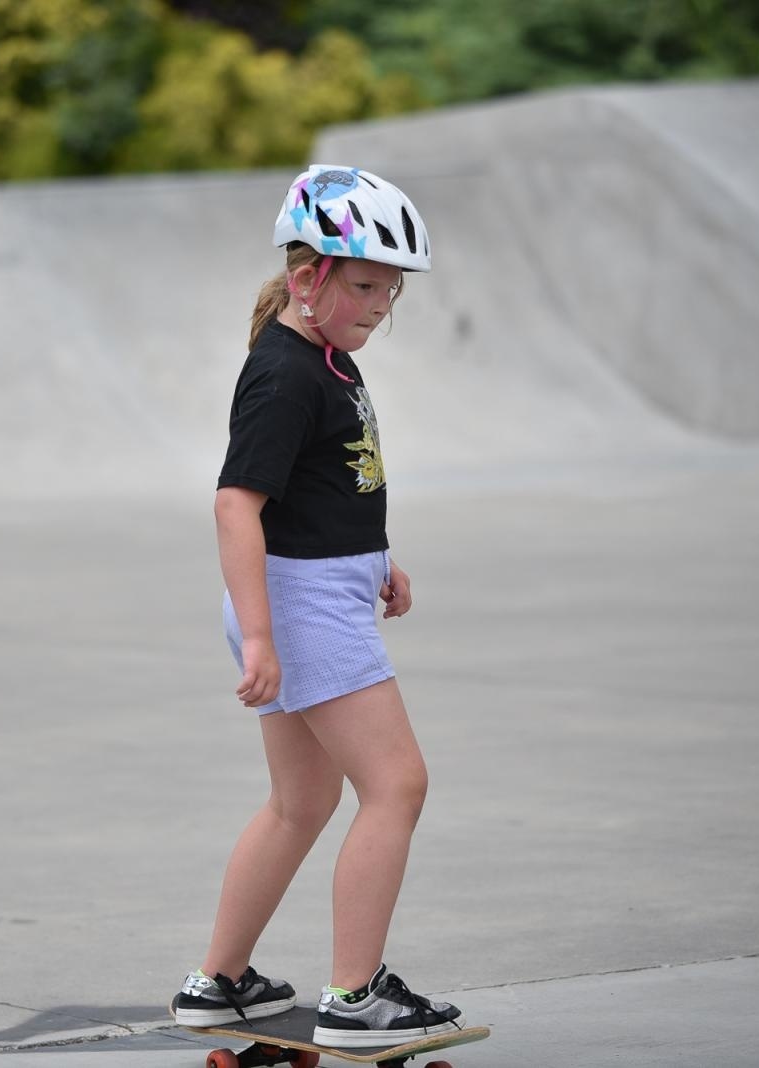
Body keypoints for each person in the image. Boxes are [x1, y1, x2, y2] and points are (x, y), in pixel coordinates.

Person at [170, 166, 464, 1047]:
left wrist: (377, 560)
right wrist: (261, 634)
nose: (382, 303)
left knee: (302, 803)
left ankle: (218, 984)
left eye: (392, 290)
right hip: (297, 609)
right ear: (309, 279)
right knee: (397, 784)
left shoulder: (324, 359)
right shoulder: (287, 374)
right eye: (366, 285)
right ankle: (356, 995)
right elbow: (236, 504)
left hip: (319, 591)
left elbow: (320, 487)